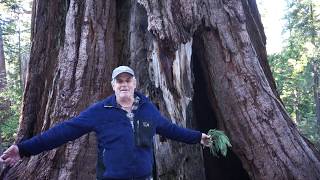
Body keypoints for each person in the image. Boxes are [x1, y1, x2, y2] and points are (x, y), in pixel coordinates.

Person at [0, 66, 211, 180]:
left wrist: (198, 137)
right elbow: (64, 131)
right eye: (120, 81)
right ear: (113, 85)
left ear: (135, 83)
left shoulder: (148, 109)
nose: (124, 85)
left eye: (128, 80)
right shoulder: (100, 111)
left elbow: (171, 130)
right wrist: (23, 149)